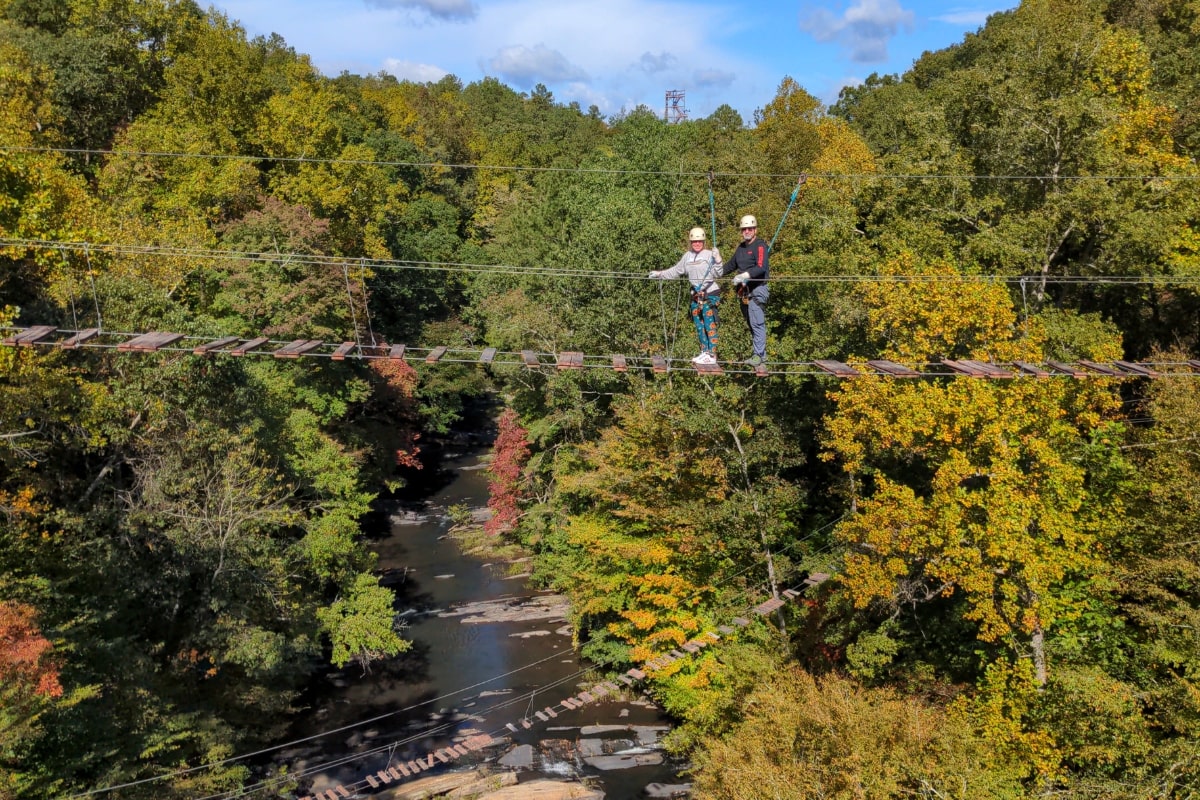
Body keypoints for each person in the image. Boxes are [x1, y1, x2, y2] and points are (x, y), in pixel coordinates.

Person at [648, 227, 724, 365]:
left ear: (704, 241)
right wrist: (660, 274)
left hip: (710, 293)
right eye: (694, 241)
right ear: (691, 242)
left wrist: (718, 260)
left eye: (700, 241)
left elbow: (718, 274)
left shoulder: (709, 255)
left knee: (709, 323)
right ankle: (704, 352)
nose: (697, 244)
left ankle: (712, 354)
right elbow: (676, 271)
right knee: (699, 325)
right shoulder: (687, 256)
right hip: (696, 295)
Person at [725, 214, 769, 367]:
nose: (747, 231)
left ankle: (759, 355)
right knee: (752, 323)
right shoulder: (741, 248)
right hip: (744, 292)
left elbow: (761, 267)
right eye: (744, 229)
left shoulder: (760, 245)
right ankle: (760, 355)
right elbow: (730, 265)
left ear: (755, 230)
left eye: (750, 228)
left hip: (757, 289)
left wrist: (745, 275)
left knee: (757, 323)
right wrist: (715, 272)